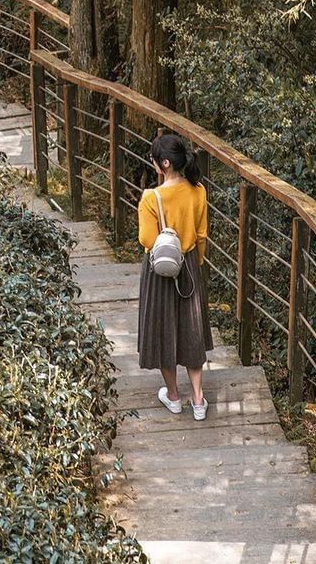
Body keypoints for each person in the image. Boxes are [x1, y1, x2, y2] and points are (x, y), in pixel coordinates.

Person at [137, 132, 213, 420]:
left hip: (160, 271)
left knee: (162, 329)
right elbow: (202, 234)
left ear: (165, 163)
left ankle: (173, 396)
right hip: (190, 264)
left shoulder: (151, 197)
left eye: (155, 159)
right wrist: (196, 262)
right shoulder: (199, 191)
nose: (153, 162)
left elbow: (146, 239)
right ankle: (198, 399)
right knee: (191, 331)